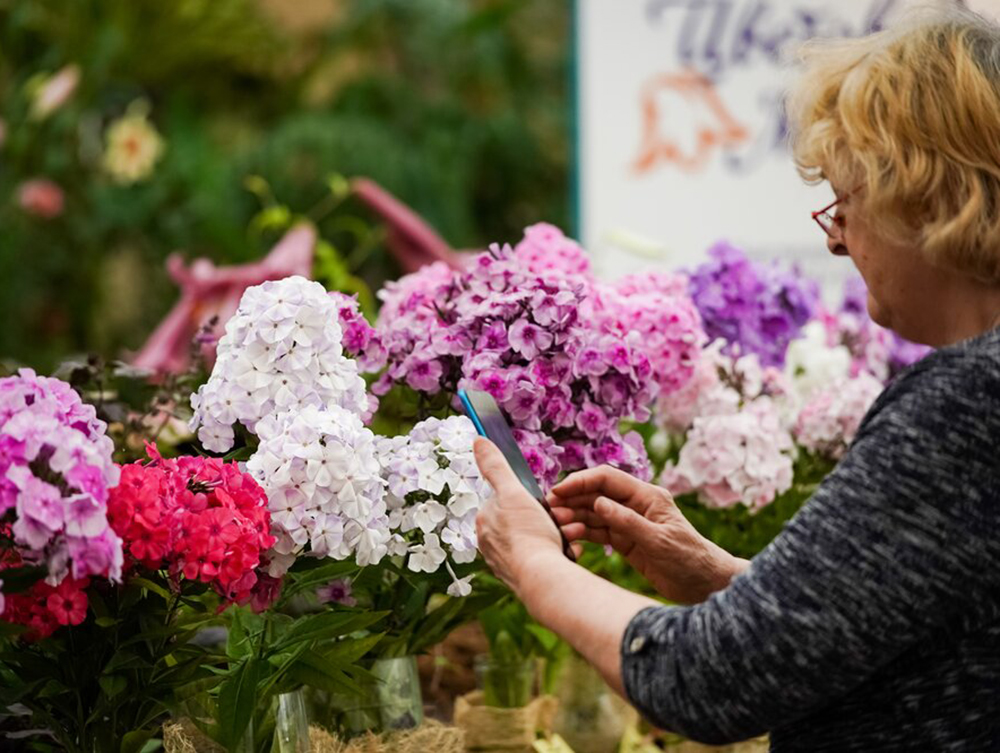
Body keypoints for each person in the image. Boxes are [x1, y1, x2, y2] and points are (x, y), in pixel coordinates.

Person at [473, 7, 1000, 750]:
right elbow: (930, 624)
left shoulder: (968, 404)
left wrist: (530, 562)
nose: (835, 236)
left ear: (925, 195)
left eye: (845, 201)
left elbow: (706, 679)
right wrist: (724, 579)